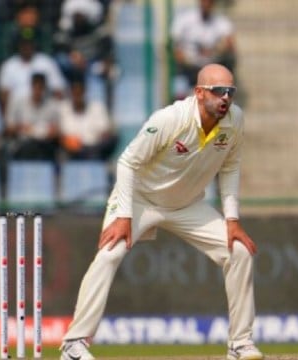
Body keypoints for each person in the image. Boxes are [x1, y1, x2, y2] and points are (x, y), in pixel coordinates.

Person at [59, 64, 263, 360]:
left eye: (230, 92)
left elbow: (230, 166)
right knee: (109, 253)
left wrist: (232, 220)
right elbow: (127, 162)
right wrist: (124, 216)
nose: (226, 98)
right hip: (141, 199)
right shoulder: (170, 119)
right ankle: (73, 345)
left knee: (239, 252)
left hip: (187, 204)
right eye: (219, 91)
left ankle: (240, 343)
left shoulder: (235, 120)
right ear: (199, 92)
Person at [169, 0, 236, 99]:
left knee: (229, 59)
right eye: (204, 1)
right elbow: (173, 42)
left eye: (209, 2)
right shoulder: (185, 19)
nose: (206, 4)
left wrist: (217, 49)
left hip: (211, 65)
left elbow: (230, 43)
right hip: (188, 66)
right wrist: (181, 55)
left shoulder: (220, 21)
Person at [4, 72, 60, 161]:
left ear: (45, 88)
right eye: (36, 87)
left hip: (45, 145)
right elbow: (9, 129)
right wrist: (21, 128)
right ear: (31, 86)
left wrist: (50, 132)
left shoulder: (52, 105)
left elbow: (56, 131)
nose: (38, 91)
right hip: (22, 144)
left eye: (41, 88)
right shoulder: (18, 103)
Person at [59, 76, 117, 161]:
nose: (77, 97)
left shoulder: (97, 107)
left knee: (111, 140)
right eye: (75, 93)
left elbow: (105, 132)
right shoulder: (63, 109)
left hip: (95, 147)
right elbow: (62, 134)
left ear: (84, 92)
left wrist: (103, 136)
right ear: (71, 93)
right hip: (74, 150)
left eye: (79, 93)